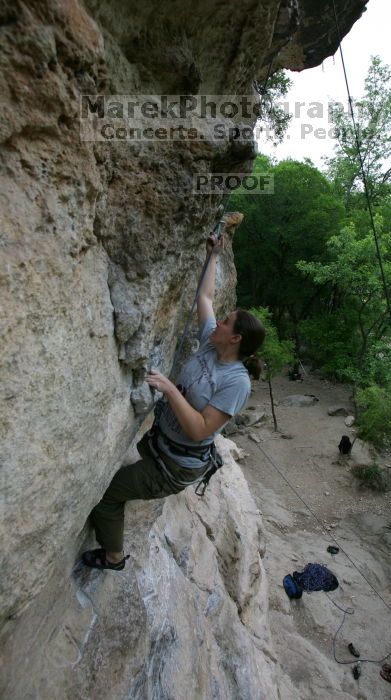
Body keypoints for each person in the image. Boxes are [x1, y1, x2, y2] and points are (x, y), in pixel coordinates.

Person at [82, 233, 265, 570]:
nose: (219, 319)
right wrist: (213, 255)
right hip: (163, 443)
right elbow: (206, 296)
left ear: (235, 338)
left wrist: (169, 389)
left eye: (226, 322)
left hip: (177, 465)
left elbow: (200, 429)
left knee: (108, 494)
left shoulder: (235, 382)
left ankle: (113, 557)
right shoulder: (213, 343)